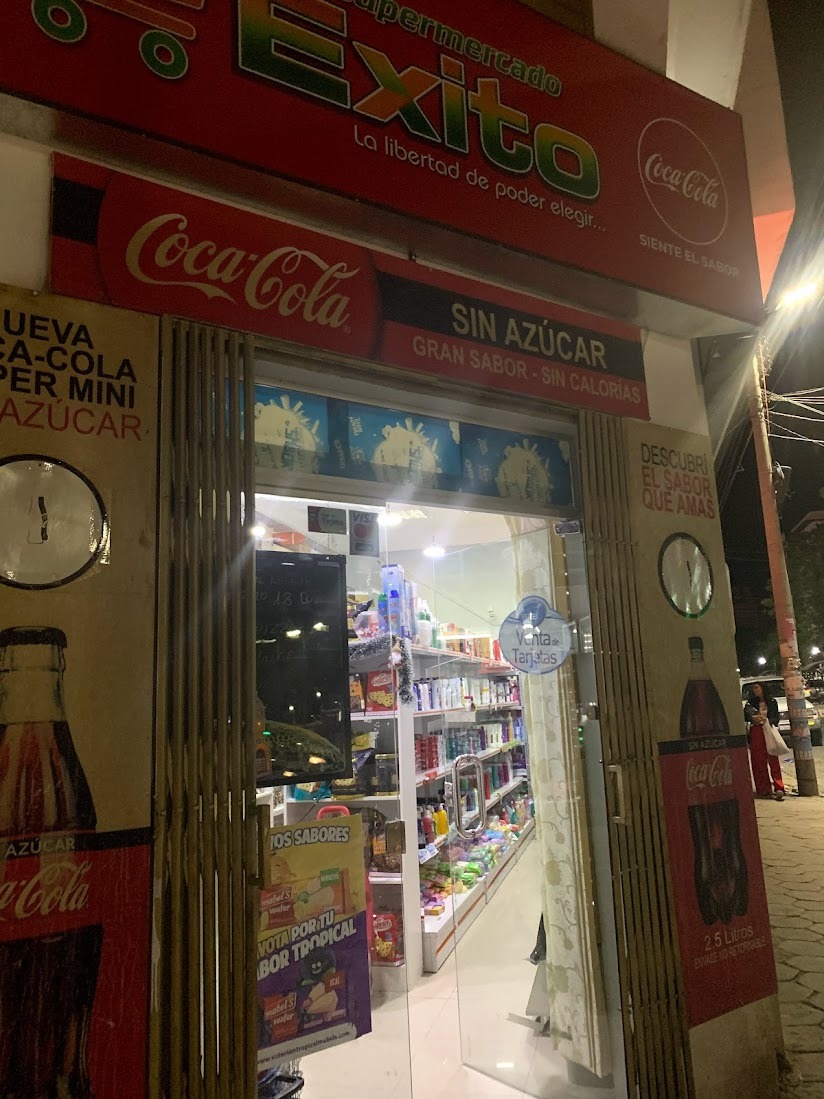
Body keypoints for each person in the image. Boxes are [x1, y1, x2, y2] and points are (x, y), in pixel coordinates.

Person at [744, 682, 785, 801]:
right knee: (758, 761)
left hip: (769, 730)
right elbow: (746, 715)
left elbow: (776, 718)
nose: (755, 690)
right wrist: (754, 718)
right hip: (756, 731)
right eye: (754, 688)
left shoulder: (771, 702)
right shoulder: (751, 703)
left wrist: (766, 720)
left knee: (773, 758)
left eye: (757, 687)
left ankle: (779, 787)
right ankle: (763, 788)